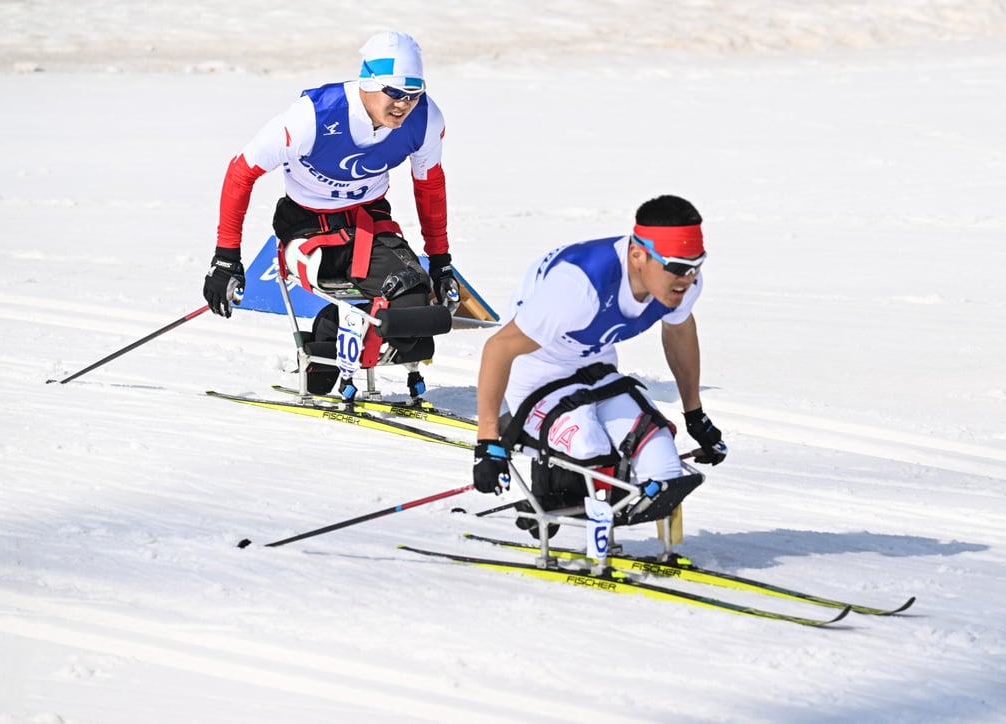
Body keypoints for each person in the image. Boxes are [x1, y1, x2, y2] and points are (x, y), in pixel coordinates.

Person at [202, 31, 459, 398]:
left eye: (413, 94)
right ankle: (329, 346)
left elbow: (430, 187)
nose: (404, 105)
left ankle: (328, 336)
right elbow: (241, 172)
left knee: (416, 302)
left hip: (367, 219)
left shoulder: (426, 119)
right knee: (382, 301)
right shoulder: (313, 116)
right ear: (369, 83)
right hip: (307, 222)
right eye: (395, 93)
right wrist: (226, 258)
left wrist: (440, 260)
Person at [472, 195, 727, 532]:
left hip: (596, 366)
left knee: (664, 466)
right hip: (536, 371)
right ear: (638, 254)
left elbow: (679, 335)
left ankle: (647, 538)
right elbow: (499, 348)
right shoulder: (580, 286)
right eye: (677, 267)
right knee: (590, 446)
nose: (688, 278)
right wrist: (487, 443)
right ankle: (555, 494)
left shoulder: (682, 284)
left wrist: (695, 415)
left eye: (697, 265)